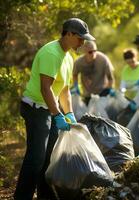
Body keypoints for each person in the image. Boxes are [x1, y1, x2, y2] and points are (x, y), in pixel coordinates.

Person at [14, 18, 95, 200]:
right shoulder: (52, 53)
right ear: (68, 34)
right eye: (80, 38)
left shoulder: (69, 56)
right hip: (35, 107)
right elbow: (46, 88)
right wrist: (57, 115)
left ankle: (46, 196)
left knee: (51, 158)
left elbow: (65, 91)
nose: (83, 43)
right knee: (36, 158)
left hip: (50, 108)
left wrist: (70, 114)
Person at [72, 40, 115, 105]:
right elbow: (75, 74)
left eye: (95, 51)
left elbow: (110, 78)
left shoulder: (103, 59)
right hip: (88, 94)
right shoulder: (79, 62)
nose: (93, 54)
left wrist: (109, 89)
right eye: (90, 52)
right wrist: (76, 86)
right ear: (84, 52)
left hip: (102, 93)